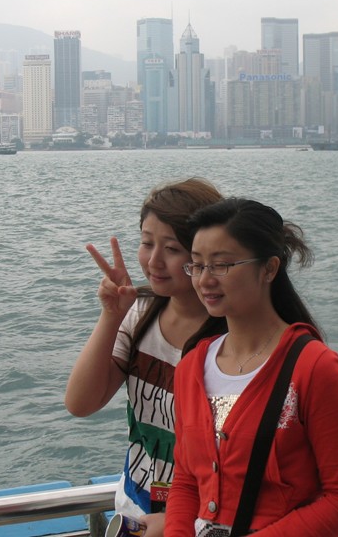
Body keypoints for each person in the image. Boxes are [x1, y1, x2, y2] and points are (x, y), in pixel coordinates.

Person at [165, 198, 338, 537]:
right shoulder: (191, 367)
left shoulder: (316, 369)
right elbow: (187, 478)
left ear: (269, 269)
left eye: (222, 265)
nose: (204, 280)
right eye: (197, 265)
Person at [65, 178, 227, 537]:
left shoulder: (232, 336)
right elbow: (80, 402)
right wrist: (111, 315)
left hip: (206, 518)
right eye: (146, 243)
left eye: (171, 248)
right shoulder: (140, 315)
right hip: (136, 504)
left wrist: (178, 521)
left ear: (203, 254)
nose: (153, 261)